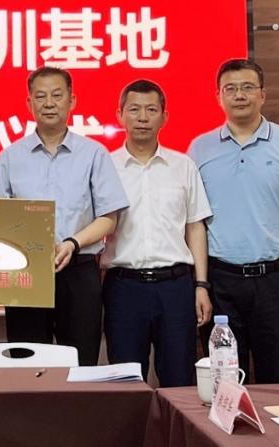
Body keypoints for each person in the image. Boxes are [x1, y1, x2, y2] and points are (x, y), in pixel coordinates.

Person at [188, 59, 279, 383]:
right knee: (224, 382)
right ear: (218, 96)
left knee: (277, 378)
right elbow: (194, 222)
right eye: (231, 89)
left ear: (262, 94)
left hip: (276, 279)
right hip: (221, 280)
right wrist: (201, 284)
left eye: (248, 87)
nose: (240, 95)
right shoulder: (199, 148)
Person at [0, 66, 128, 366]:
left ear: (71, 100)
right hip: (25, 272)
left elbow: (109, 218)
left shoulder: (94, 154)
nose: (49, 103)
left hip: (79, 271)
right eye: (40, 96)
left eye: (57, 95)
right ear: (29, 103)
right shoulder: (10, 156)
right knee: (26, 363)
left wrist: (72, 243)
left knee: (80, 362)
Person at [102, 80, 212, 385]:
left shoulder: (183, 165)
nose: (142, 117)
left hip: (175, 286)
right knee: (125, 382)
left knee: (179, 380)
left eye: (151, 110)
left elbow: (195, 226)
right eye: (134, 109)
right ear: (120, 115)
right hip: (123, 287)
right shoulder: (105, 167)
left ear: (164, 117)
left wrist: (201, 285)